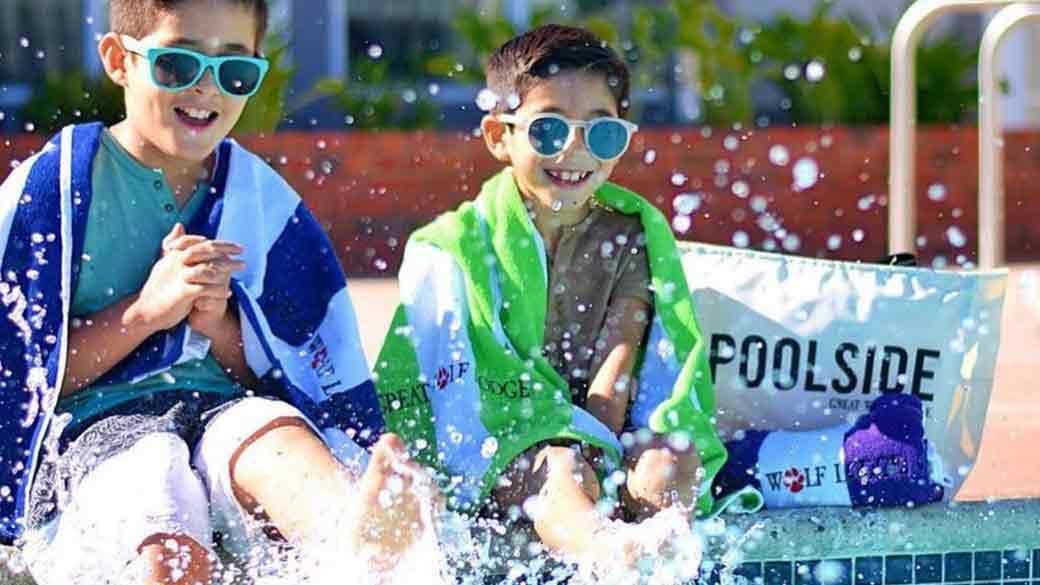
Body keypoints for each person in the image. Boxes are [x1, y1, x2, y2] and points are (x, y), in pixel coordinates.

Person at [0, 1, 434, 583]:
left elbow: (290, 371)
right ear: (118, 61)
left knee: (274, 440)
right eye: (178, 65)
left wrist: (223, 329)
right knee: (161, 506)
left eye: (233, 72)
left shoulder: (262, 201)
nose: (207, 90)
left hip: (222, 408)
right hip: (99, 426)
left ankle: (356, 535)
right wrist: (145, 313)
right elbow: (22, 382)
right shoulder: (49, 194)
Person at [374, 24, 752, 577]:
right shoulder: (456, 247)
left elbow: (618, 367)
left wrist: (607, 447)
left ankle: (662, 563)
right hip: (514, 445)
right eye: (548, 131)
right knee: (561, 464)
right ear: (498, 136)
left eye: (601, 136)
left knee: (672, 459)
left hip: (602, 425)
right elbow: (450, 389)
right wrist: (575, 448)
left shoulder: (630, 234)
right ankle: (606, 550)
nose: (574, 152)